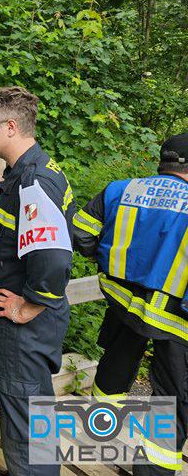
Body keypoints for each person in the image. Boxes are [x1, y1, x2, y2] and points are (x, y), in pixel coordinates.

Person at [73, 132, 188, 475]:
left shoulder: (121, 189)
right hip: (174, 318)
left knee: (117, 361)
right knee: (172, 395)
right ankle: (151, 468)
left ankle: (97, 430)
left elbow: (81, 234)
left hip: (123, 302)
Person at [0, 86, 76, 476]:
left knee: (26, 412)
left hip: (24, 327)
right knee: (30, 407)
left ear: (11, 127)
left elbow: (51, 258)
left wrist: (30, 304)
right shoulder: (35, 171)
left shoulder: (32, 181)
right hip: (24, 327)